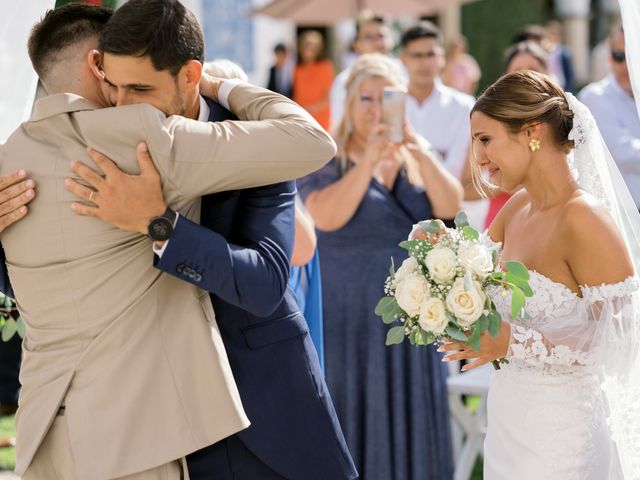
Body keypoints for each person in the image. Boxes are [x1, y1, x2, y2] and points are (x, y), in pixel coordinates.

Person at [0, 3, 344, 479]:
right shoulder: (72, 149)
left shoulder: (252, 141)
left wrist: (159, 224)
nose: (123, 105)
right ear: (98, 67)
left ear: (189, 77)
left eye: (139, 88)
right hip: (147, 429)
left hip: (260, 417)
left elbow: (266, 283)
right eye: (113, 86)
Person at [440, 70, 640, 478]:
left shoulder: (584, 219)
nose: (478, 157)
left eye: (485, 139)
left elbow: (622, 338)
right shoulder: (516, 208)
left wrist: (513, 341)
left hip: (562, 437)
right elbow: (471, 274)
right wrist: (433, 260)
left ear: (531, 131)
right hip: (509, 422)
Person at [297, 53, 461, 480]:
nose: (374, 109)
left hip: (408, 317)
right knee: (352, 412)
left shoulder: (412, 159)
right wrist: (367, 161)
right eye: (365, 99)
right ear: (349, 103)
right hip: (348, 318)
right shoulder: (325, 159)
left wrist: (418, 150)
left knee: (411, 424)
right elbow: (324, 217)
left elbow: (450, 204)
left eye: (385, 99)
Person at [401, 22, 475, 180]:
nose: (424, 63)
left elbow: (457, 169)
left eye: (430, 55)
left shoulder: (464, 106)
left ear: (441, 57)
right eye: (417, 55)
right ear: (403, 59)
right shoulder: (390, 105)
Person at [579, 26, 640, 209]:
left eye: (632, 55)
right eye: (619, 56)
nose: (626, 65)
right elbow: (624, 153)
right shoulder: (595, 97)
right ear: (609, 58)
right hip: (623, 213)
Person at [329, 10, 396, 130]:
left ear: (391, 39)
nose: (376, 42)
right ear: (356, 44)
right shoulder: (344, 81)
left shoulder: (406, 73)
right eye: (368, 37)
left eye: (380, 36)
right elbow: (339, 127)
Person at [293, 30, 334, 130]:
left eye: (313, 46)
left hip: (320, 121)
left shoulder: (326, 67)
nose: (309, 49)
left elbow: (328, 97)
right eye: (307, 45)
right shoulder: (297, 69)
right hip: (301, 119)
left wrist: (310, 109)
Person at [545, 20, 575, 92]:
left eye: (555, 33)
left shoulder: (564, 52)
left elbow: (569, 73)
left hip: (561, 85)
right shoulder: (543, 50)